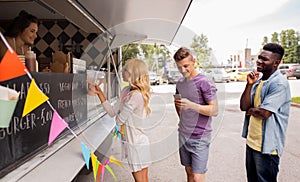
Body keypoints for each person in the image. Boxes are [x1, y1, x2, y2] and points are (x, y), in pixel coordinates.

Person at [88, 58, 151, 182]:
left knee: (141, 179)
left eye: (126, 70)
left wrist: (120, 113)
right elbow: (112, 113)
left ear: (133, 73)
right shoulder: (126, 91)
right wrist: (100, 93)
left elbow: (119, 121)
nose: (122, 72)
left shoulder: (136, 96)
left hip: (136, 143)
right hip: (131, 142)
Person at [240, 43, 291, 182]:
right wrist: (249, 84)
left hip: (267, 147)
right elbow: (244, 107)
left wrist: (252, 110)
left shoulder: (279, 83)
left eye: (264, 59)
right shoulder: (258, 81)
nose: (259, 61)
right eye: (259, 57)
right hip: (252, 143)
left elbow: (265, 112)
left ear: (276, 63)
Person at [173, 47, 218, 182]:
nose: (183, 70)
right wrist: (181, 119)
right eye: (179, 67)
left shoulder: (204, 82)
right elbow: (177, 101)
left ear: (194, 62)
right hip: (183, 135)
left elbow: (214, 110)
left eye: (186, 66)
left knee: (198, 177)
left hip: (200, 136)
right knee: (189, 171)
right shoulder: (180, 83)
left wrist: (192, 105)